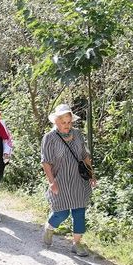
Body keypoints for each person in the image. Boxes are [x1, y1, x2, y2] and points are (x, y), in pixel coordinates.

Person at [41, 104, 97, 256]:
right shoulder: (49, 138)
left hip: (79, 180)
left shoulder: (77, 134)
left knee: (79, 212)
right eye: (63, 122)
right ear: (56, 122)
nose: (67, 125)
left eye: (69, 122)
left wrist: (91, 175)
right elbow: (45, 162)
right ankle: (50, 227)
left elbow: (85, 155)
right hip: (60, 180)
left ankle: (76, 243)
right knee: (62, 213)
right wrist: (51, 182)